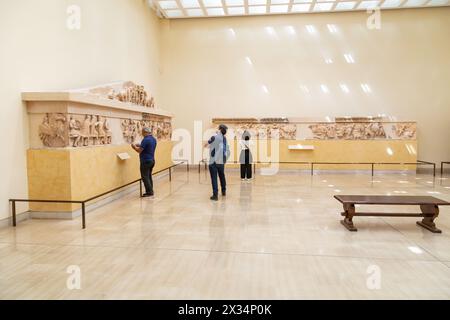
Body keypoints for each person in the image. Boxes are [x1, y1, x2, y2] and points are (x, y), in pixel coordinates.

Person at [206, 124, 230, 201]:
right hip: (221, 160)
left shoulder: (214, 137)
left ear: (219, 130)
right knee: (222, 175)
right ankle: (223, 191)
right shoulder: (224, 138)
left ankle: (215, 195)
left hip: (213, 161)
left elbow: (206, 144)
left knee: (214, 177)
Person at [132, 127, 157, 197]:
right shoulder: (153, 139)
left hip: (145, 161)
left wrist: (133, 147)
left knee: (145, 177)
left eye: (142, 132)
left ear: (145, 132)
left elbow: (139, 150)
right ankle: (151, 190)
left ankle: (149, 192)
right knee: (149, 176)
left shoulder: (145, 139)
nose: (142, 134)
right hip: (152, 160)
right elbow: (147, 147)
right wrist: (140, 145)